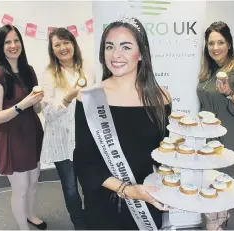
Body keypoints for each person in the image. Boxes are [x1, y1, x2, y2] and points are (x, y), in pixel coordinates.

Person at [73, 17, 171, 230]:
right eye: (110, 46)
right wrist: (127, 189)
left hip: (146, 199)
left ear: (142, 53)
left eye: (126, 47)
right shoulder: (89, 98)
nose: (116, 55)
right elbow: (84, 161)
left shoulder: (161, 98)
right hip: (103, 202)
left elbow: (164, 153)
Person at [196, 21, 234, 230]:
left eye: (220, 42)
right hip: (208, 132)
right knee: (208, 178)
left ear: (229, 44)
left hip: (228, 131)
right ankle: (216, 218)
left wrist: (230, 93)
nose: (215, 48)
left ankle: (218, 220)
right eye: (211, 43)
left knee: (221, 178)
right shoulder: (209, 71)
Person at [0, 25, 46, 230]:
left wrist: (38, 101)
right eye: (7, 42)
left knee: (34, 181)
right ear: (0, 47)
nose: (13, 45)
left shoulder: (28, 71)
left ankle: (30, 214)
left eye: (16, 40)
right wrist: (23, 105)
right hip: (12, 137)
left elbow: (36, 109)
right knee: (20, 188)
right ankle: (23, 227)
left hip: (31, 133)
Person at [39, 28, 93, 230]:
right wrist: (67, 99)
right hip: (61, 139)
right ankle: (79, 224)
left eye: (66, 42)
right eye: (57, 44)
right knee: (70, 188)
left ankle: (92, 218)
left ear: (73, 44)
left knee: (89, 183)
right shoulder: (49, 75)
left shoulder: (87, 68)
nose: (63, 48)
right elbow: (48, 113)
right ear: (52, 50)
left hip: (86, 138)